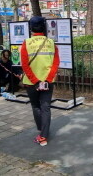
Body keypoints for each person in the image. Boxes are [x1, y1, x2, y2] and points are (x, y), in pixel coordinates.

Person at [21, 16, 60, 147]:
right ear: (44, 27)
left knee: (35, 106)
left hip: (31, 82)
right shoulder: (51, 42)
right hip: (48, 81)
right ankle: (43, 134)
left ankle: (41, 130)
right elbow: (56, 63)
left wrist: (35, 81)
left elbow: (25, 65)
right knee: (46, 107)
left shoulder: (26, 43)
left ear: (30, 28)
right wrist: (48, 79)